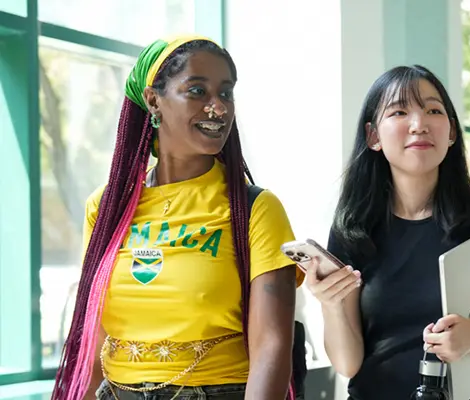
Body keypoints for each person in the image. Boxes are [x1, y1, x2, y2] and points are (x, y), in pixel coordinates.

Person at [50, 35, 301, 400]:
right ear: (154, 100)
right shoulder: (106, 209)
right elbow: (94, 338)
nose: (218, 108)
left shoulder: (256, 209)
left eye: (226, 93)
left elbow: (272, 348)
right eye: (197, 91)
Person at [303, 65, 470, 400]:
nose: (419, 124)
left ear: (451, 132)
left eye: (433, 110)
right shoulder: (352, 228)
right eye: (399, 111)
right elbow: (348, 364)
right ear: (373, 136)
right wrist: (331, 304)